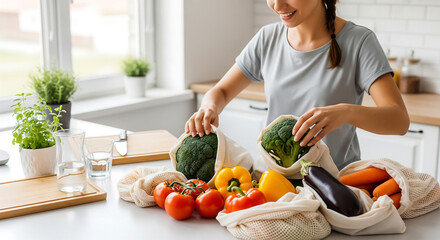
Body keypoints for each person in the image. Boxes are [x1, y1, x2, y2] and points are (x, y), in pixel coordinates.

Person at [185, 0, 409, 169]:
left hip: (332, 185)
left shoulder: (359, 41)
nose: (277, 4)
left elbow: (398, 120)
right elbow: (221, 91)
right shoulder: (268, 38)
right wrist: (209, 108)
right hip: (272, 181)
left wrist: (346, 112)